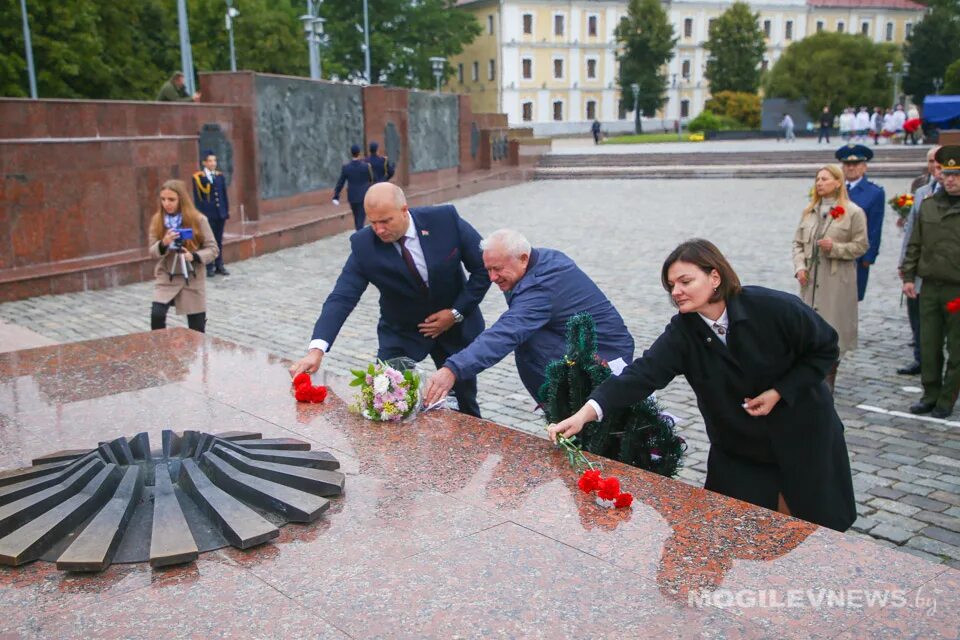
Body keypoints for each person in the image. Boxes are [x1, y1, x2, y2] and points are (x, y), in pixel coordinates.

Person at [547, 239, 857, 532]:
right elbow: (640, 376)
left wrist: (779, 392)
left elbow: (826, 347)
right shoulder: (683, 332)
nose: (677, 291)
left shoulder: (773, 307)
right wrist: (584, 414)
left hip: (804, 436)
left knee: (810, 531)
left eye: (685, 281)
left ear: (715, 276)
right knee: (727, 531)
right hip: (740, 449)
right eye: (671, 286)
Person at [290, 182, 491, 417]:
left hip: (455, 329)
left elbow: (483, 268)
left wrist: (456, 313)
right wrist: (317, 350)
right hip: (401, 333)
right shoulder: (364, 246)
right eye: (373, 222)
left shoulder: (445, 220)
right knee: (382, 402)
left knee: (465, 405)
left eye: (386, 221)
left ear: (404, 209)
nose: (379, 229)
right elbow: (342, 297)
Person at [423, 229, 635, 405]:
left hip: (605, 358)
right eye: (488, 269)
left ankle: (567, 414)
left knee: (528, 341)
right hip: (595, 345)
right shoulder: (542, 260)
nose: (492, 278)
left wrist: (453, 369)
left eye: (497, 269)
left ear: (523, 259)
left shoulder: (540, 286)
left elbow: (505, 333)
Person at [792, 164, 868, 393]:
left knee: (832, 332)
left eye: (825, 179)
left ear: (838, 182)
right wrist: (799, 266)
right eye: (817, 179)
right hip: (810, 283)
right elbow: (797, 243)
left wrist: (835, 248)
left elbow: (861, 245)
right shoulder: (809, 211)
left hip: (836, 282)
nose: (820, 183)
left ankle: (828, 381)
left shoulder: (853, 212)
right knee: (809, 331)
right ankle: (811, 378)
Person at [901, 145, 960, 419]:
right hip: (930, 287)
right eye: (947, 174)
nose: (950, 179)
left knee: (956, 348)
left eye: (956, 175)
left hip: (957, 289)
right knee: (929, 344)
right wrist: (909, 276)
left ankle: (947, 400)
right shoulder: (927, 206)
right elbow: (915, 243)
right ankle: (930, 394)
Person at [148, 179, 219, 333]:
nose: (167, 203)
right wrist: (164, 243)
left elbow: (213, 249)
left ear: (182, 199)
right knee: (157, 315)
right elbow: (152, 252)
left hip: (192, 276)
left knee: (197, 326)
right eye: (163, 199)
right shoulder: (158, 221)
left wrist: (194, 256)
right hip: (168, 275)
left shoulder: (198, 220)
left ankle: (198, 355)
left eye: (171, 199)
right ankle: (160, 352)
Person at [897, 146, 942, 375]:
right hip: (919, 266)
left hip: (945, 270)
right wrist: (905, 265)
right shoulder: (922, 190)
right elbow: (910, 231)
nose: (936, 166)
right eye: (933, 161)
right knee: (916, 315)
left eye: (940, 161)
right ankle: (921, 359)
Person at [836, 143, 885, 301]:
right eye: (847, 164)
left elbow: (875, 227)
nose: (851, 168)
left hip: (856, 254)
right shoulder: (834, 188)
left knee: (850, 298)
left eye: (855, 164)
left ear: (864, 167)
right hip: (831, 252)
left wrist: (868, 257)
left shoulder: (874, 192)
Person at [192, 151, 230, 277]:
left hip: (220, 214)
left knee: (218, 240)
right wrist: (200, 216)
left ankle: (219, 264)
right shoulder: (198, 177)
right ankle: (209, 266)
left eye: (214, 161)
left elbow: (224, 196)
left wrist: (226, 211)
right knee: (208, 241)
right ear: (204, 163)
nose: (213, 163)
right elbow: (198, 199)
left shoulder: (219, 176)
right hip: (208, 215)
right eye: (210, 161)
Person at [333, 144, 374, 231]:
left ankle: (358, 232)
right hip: (363, 195)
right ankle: (359, 235)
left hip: (352, 196)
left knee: (356, 217)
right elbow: (371, 179)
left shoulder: (346, 167)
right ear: (359, 153)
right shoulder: (366, 166)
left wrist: (336, 196)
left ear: (351, 153)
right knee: (361, 218)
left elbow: (341, 182)